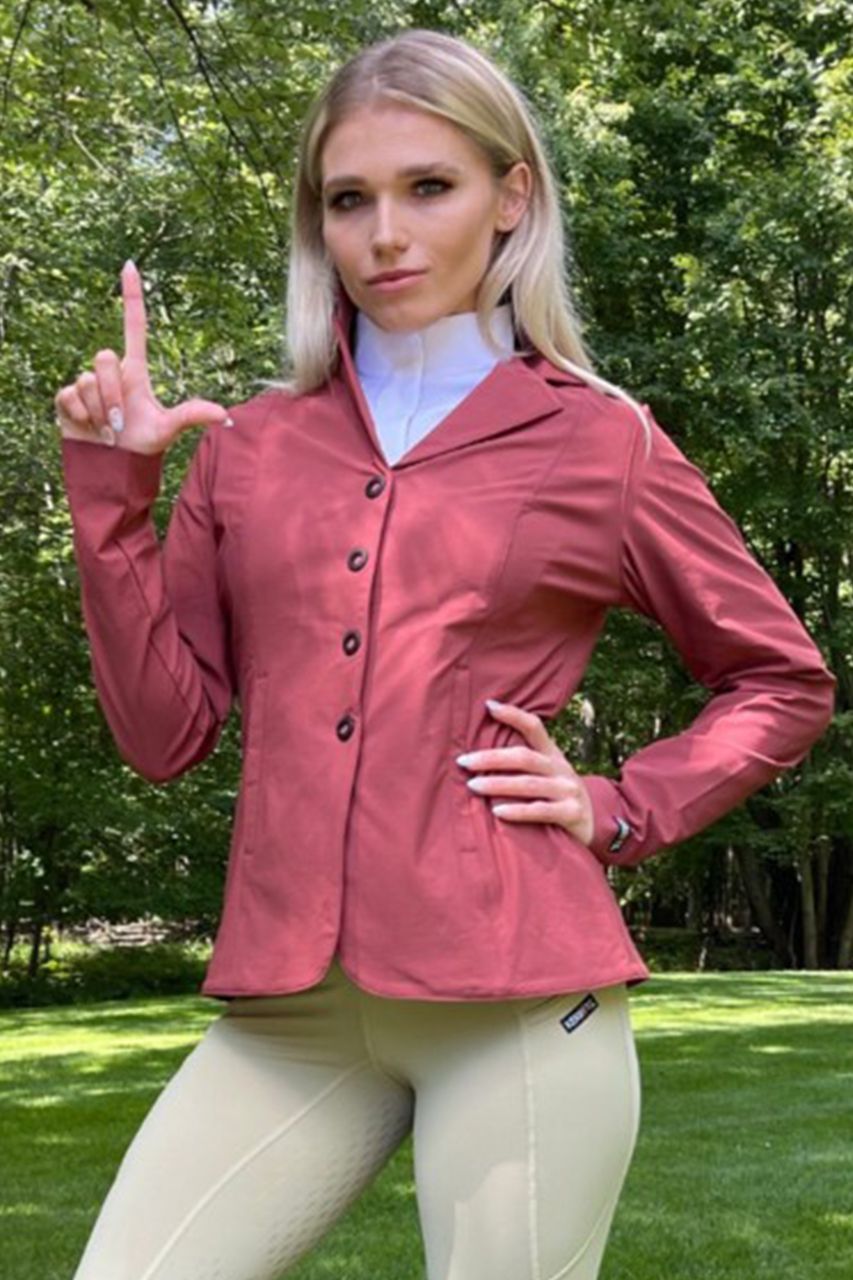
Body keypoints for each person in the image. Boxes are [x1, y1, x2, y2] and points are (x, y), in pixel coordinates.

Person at [54, 27, 835, 1280]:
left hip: (518, 1007)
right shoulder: (250, 447)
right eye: (348, 199)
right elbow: (163, 736)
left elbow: (781, 678)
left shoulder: (602, 443)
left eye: (429, 187)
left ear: (509, 196)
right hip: (289, 1013)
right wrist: (112, 496)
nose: (385, 234)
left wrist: (619, 804)